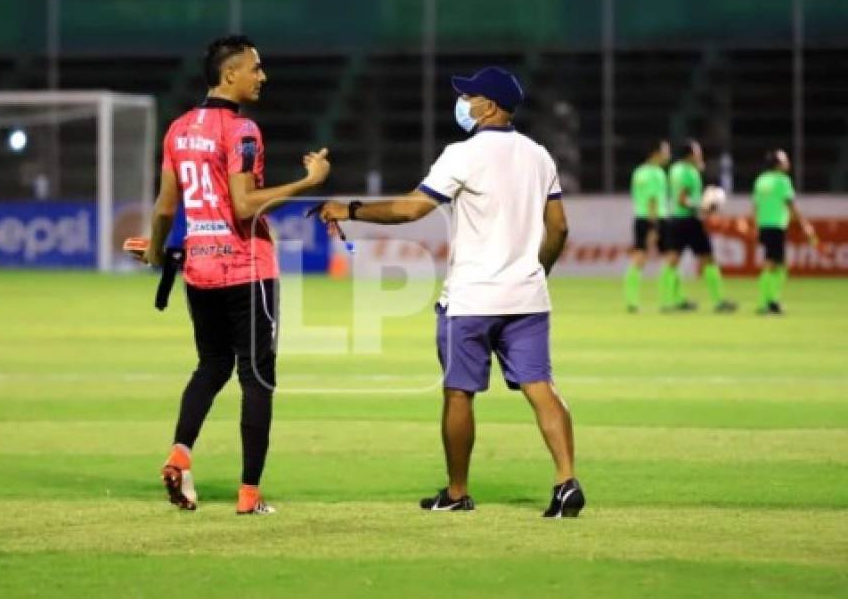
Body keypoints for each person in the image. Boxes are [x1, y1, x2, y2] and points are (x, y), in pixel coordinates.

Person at [319, 66, 583, 517]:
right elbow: (558, 227)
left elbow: (409, 209)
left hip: (472, 298)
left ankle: (458, 492)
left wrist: (351, 207)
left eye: (471, 96)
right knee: (541, 387)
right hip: (527, 297)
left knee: (459, 392)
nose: (464, 103)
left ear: (490, 106)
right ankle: (566, 481)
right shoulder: (540, 155)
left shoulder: (463, 154)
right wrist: (537, 270)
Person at [131, 35, 331, 515]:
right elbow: (244, 207)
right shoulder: (242, 131)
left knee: (212, 365)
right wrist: (308, 181)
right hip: (247, 269)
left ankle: (181, 453)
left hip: (199, 269)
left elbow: (164, 206)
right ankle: (249, 494)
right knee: (256, 378)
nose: (262, 77)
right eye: (255, 69)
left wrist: (157, 252)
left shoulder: (178, 129)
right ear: (230, 75)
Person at [666, 140, 737, 312]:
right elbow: (683, 200)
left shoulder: (675, 169)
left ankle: (668, 300)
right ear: (690, 154)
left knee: (673, 261)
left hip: (676, 219)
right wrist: (704, 206)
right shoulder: (689, 172)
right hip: (689, 221)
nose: (700, 155)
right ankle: (719, 300)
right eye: (698, 152)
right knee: (708, 260)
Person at [752, 149, 816, 314]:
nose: (788, 163)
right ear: (778, 164)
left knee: (775, 263)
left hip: (763, 225)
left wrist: (755, 225)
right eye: (785, 160)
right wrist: (805, 226)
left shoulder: (761, 180)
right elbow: (790, 205)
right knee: (773, 264)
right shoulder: (782, 181)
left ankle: (770, 301)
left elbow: (755, 206)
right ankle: (766, 302)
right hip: (776, 225)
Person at [623, 140, 673, 312]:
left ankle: (631, 300)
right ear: (655, 153)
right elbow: (653, 199)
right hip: (655, 217)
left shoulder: (638, 172)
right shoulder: (657, 173)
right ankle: (666, 301)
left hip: (640, 217)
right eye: (666, 151)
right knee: (669, 258)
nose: (668, 155)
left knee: (639, 258)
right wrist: (654, 226)